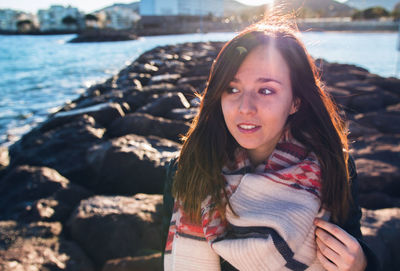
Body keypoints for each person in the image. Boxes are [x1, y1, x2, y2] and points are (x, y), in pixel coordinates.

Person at [162, 19, 380, 271]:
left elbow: (352, 240)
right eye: (232, 89)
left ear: (295, 101)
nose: (245, 107)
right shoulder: (188, 170)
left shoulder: (332, 165)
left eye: (265, 91)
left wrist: (362, 264)